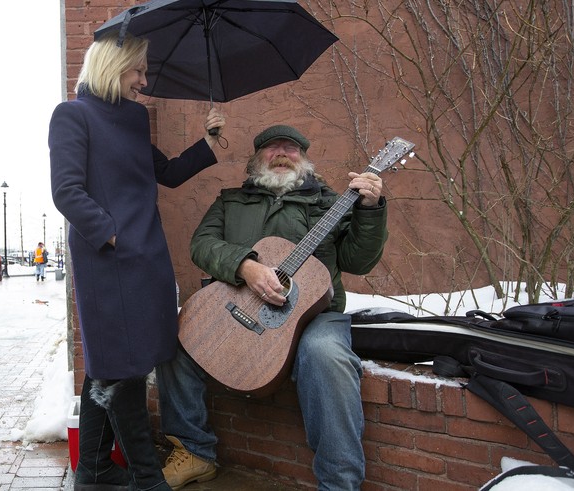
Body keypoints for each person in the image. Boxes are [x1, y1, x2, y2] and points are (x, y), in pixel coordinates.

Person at [156, 125, 388, 490]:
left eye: (291, 148)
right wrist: (245, 266)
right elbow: (202, 244)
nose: (281, 153)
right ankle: (194, 450)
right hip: (237, 305)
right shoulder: (230, 200)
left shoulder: (332, 202)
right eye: (271, 148)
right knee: (172, 338)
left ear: (304, 159)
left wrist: (371, 210)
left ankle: (339, 483)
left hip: (315, 318)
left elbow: (358, 261)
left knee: (326, 355)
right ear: (255, 160)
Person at [49, 31, 226, 491]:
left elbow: (163, 172)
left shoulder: (131, 119)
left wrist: (207, 142)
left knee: (109, 366)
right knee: (121, 366)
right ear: (113, 66)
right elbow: (67, 191)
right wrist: (113, 235)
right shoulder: (73, 116)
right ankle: (147, 478)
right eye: (138, 70)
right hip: (107, 263)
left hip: (146, 259)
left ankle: (93, 471)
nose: (144, 81)